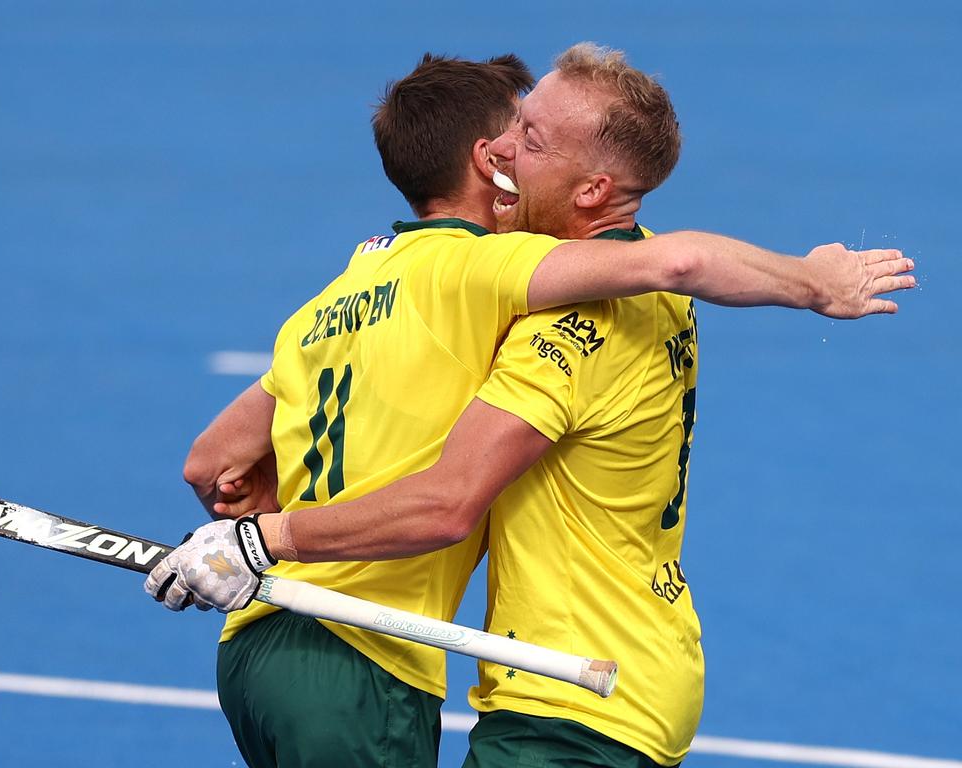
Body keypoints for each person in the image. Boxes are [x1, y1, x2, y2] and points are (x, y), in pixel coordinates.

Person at [146, 51, 913, 768]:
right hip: (610, 673)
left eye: (530, 139)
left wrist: (262, 537)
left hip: (577, 696)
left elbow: (445, 501)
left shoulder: (569, 321)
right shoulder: (607, 287)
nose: (501, 150)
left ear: (591, 192)